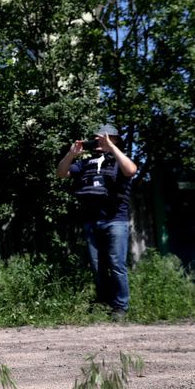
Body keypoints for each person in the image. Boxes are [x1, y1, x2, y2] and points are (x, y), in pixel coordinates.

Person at [56, 125, 138, 320]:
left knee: (116, 264)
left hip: (115, 221)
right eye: (97, 138)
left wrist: (111, 148)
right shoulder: (86, 163)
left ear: (115, 140)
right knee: (97, 266)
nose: (99, 141)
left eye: (105, 138)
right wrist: (71, 154)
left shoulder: (118, 161)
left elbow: (131, 170)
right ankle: (104, 304)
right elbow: (60, 173)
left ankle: (120, 308)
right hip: (92, 222)